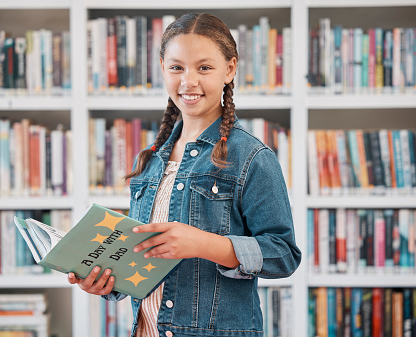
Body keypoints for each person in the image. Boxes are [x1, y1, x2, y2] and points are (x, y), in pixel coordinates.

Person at [68, 13, 301, 337]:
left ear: (229, 69)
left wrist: (204, 244)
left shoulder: (252, 157)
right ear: (163, 67)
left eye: (204, 68)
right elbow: (140, 260)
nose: (188, 81)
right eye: (177, 67)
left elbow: (283, 254)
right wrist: (106, 282)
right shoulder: (150, 159)